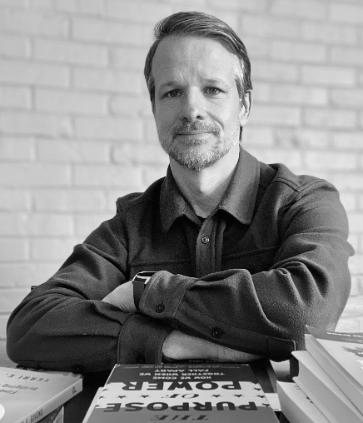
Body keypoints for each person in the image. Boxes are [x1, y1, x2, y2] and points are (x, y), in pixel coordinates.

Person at [7, 11, 353, 374]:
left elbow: (305, 316)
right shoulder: (132, 224)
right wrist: (169, 344)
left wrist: (145, 293)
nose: (191, 109)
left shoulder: (304, 202)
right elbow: (31, 327)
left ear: (244, 106)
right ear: (154, 108)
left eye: (213, 90)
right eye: (172, 92)